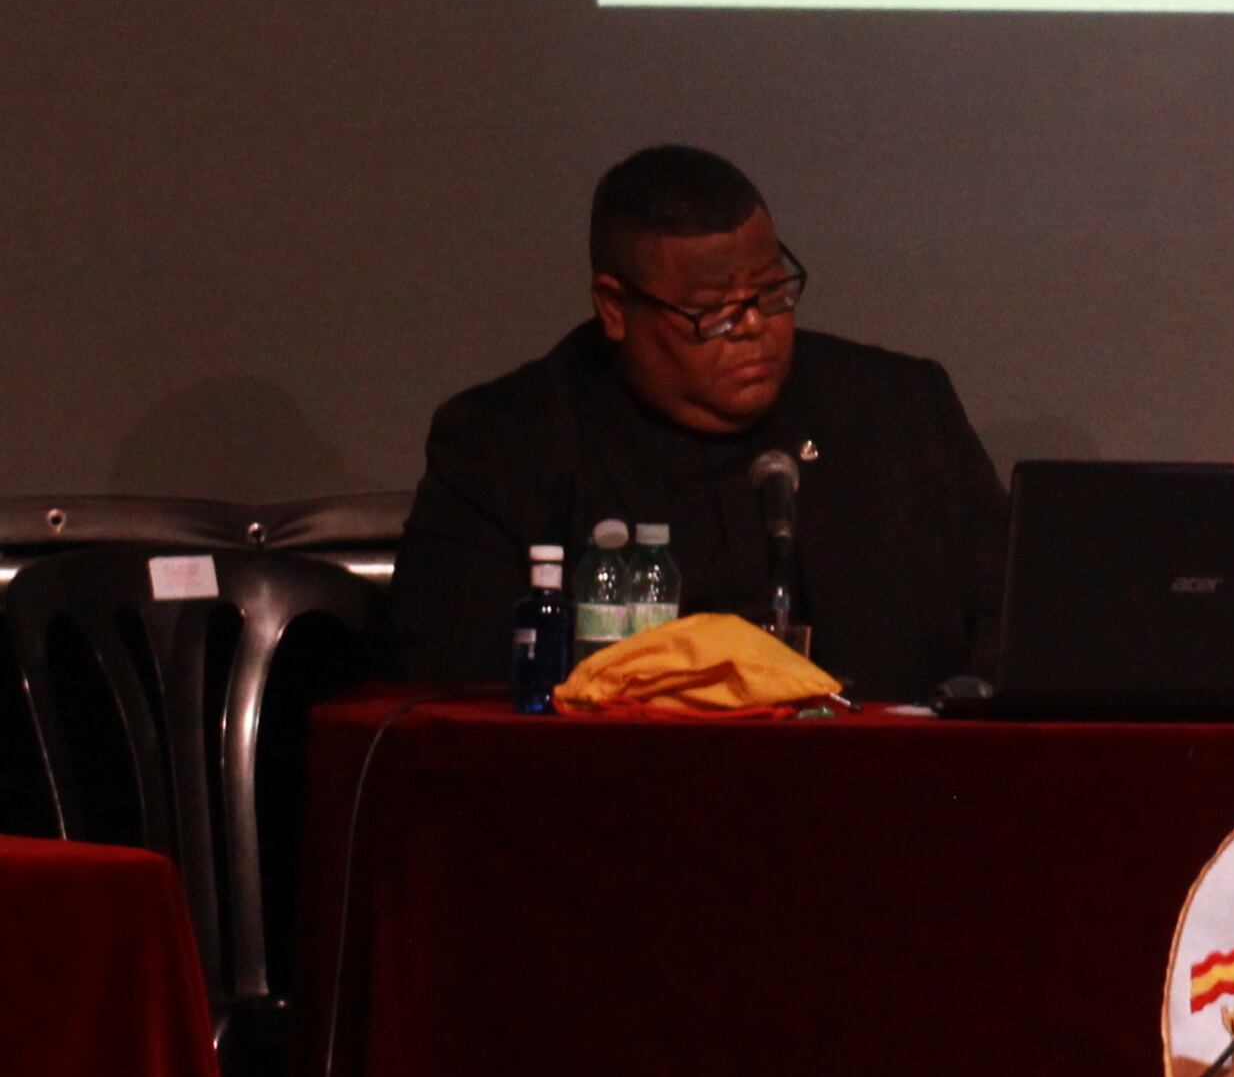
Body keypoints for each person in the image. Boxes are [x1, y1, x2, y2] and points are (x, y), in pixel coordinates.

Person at [395, 144, 1007, 696]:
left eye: (772, 293)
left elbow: (1014, 621)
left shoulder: (900, 410)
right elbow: (450, 680)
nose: (753, 328)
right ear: (615, 308)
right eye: (711, 312)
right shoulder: (508, 444)